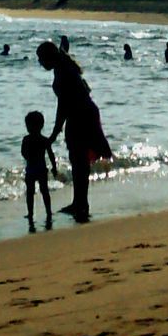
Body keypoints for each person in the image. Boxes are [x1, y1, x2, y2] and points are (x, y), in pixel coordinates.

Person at [37, 41, 112, 223]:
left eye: (41, 58)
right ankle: (80, 202)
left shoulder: (63, 72)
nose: (40, 62)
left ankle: (80, 203)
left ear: (49, 57)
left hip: (81, 116)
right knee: (79, 161)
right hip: (83, 113)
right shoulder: (63, 66)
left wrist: (55, 133)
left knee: (79, 161)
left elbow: (63, 105)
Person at [22, 110, 58, 230]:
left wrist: (29, 156)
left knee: (32, 193)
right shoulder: (44, 140)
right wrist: (54, 167)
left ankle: (32, 213)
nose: (28, 128)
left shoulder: (27, 139)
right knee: (43, 191)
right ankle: (47, 211)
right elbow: (51, 155)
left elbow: (23, 153)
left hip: (32, 169)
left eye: (29, 125)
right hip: (41, 169)